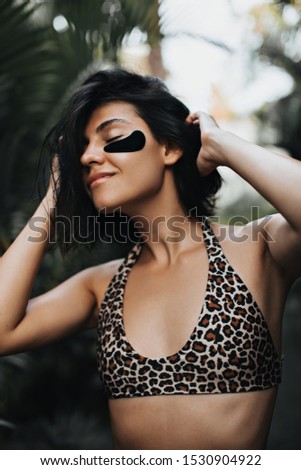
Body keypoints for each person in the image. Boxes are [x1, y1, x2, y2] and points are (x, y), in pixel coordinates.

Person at [0, 68, 300, 450]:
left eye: (112, 138)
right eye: (83, 149)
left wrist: (222, 145)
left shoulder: (259, 249)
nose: (89, 156)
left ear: (170, 148)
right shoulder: (101, 287)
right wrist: (53, 198)